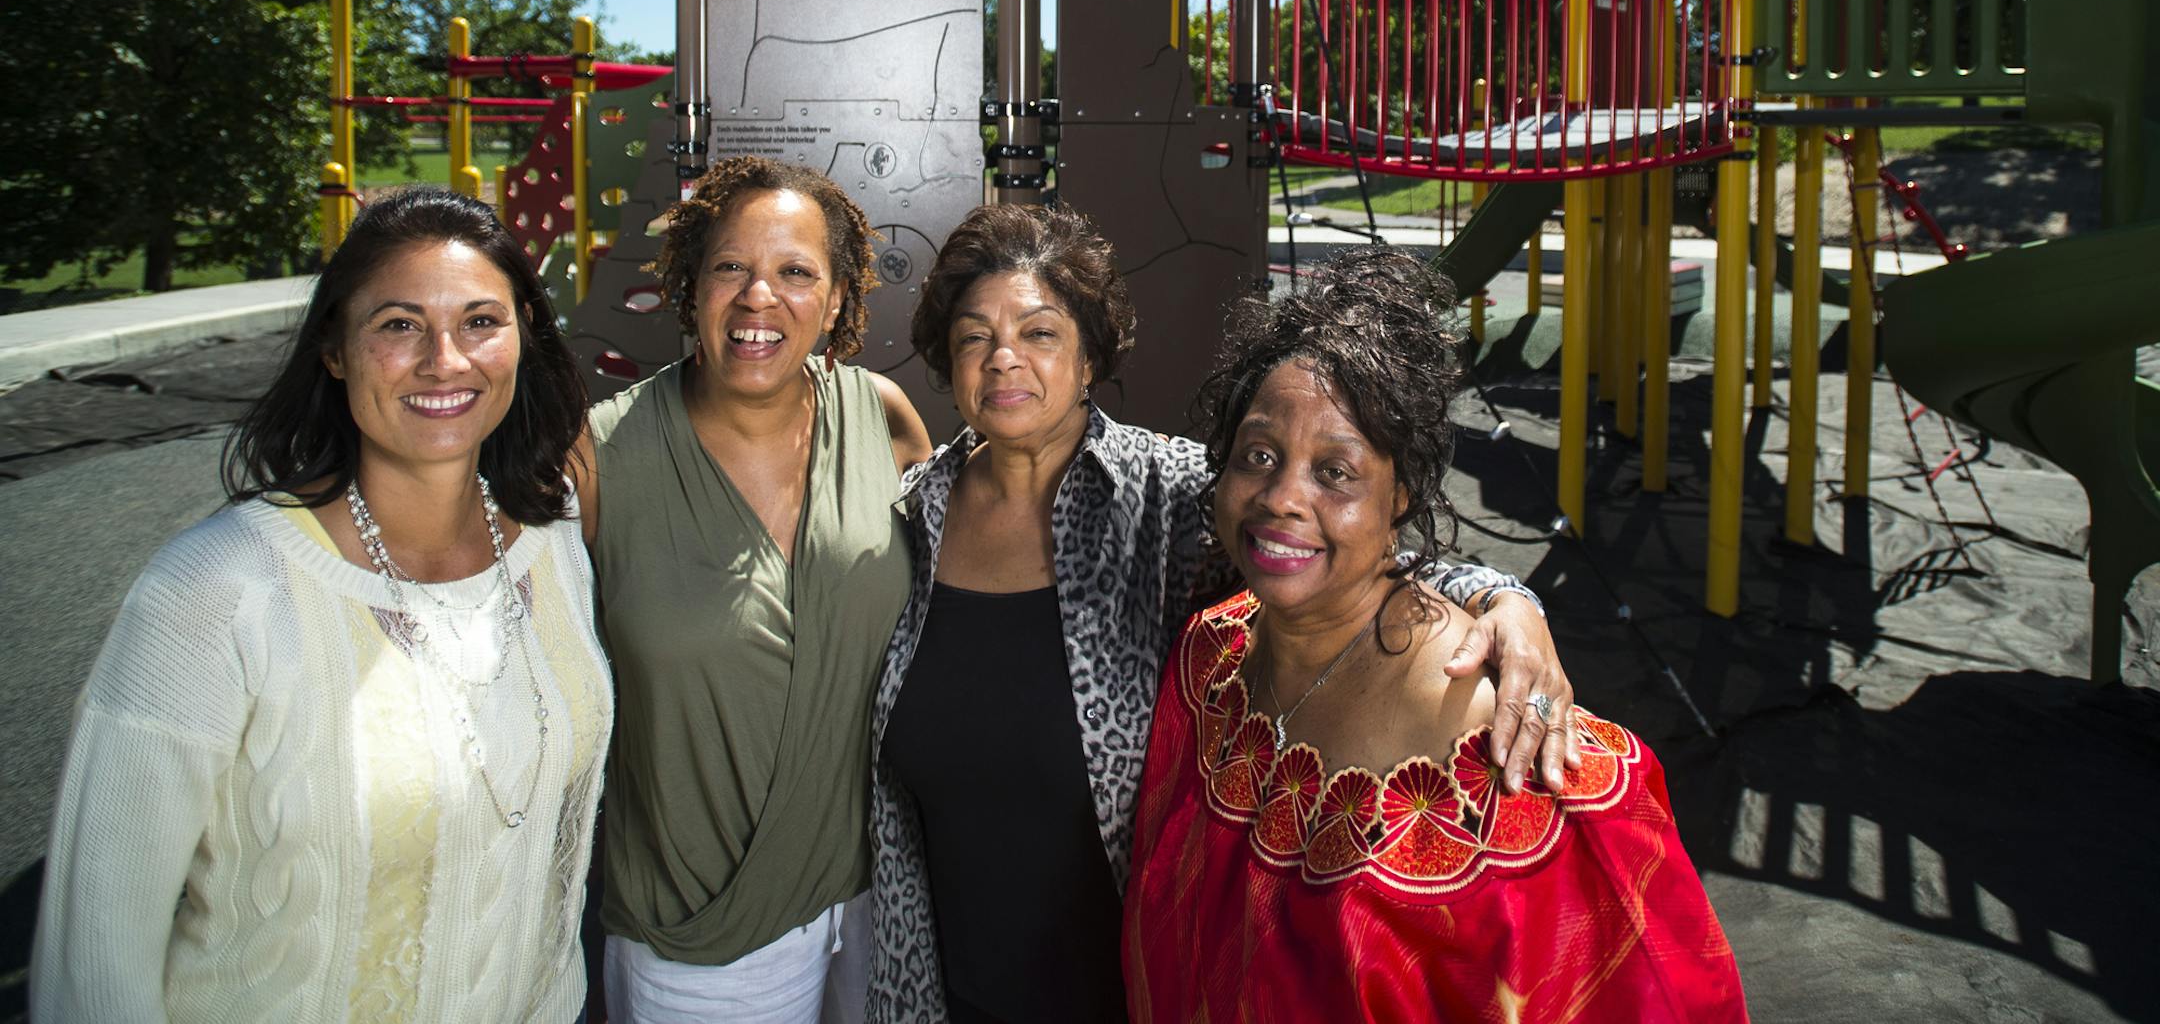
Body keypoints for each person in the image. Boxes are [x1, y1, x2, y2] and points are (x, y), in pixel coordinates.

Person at [866, 205, 1580, 1024]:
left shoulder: (1167, 497)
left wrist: (1506, 599)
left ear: (1091, 354)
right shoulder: (911, 516)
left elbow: (1337, 553)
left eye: (1039, 332)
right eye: (973, 335)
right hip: (940, 988)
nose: (1003, 358)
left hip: (1135, 989)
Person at [33, 185, 611, 1023]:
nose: (445, 359)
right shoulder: (214, 592)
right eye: (399, 324)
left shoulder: (551, 541)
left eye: (481, 320)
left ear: (524, 332)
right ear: (334, 348)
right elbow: (96, 959)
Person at [1123, 249, 1749, 1022]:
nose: (1281, 495)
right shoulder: (1212, 659)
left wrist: (1507, 597)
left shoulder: (1509, 753)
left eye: (1336, 471)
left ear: (1402, 494)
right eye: (1259, 455)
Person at [576, 156, 933, 1023]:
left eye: (795, 272)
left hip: (875, 898)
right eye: (731, 266)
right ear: (689, 283)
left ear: (843, 297)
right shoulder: (599, 459)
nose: (757, 298)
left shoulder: (881, 418)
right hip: (698, 935)